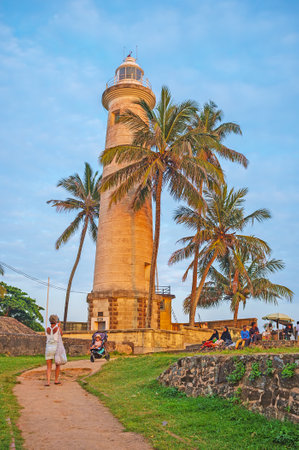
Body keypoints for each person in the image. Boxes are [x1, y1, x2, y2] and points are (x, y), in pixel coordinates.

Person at [45, 314, 63, 386]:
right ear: (56, 321)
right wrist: (59, 326)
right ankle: (56, 380)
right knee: (57, 364)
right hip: (56, 347)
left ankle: (48, 381)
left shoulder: (47, 329)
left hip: (49, 347)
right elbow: (61, 334)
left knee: (49, 366)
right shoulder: (58, 328)